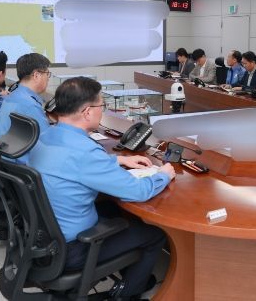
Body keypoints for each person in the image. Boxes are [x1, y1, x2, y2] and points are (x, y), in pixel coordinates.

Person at [28, 77, 176, 300]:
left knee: (112, 209)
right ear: (87, 112)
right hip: (72, 248)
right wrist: (163, 175)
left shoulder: (46, 134)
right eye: (101, 105)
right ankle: (128, 293)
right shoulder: (86, 152)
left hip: (44, 237)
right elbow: (137, 191)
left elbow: (72, 163)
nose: (102, 110)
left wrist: (117, 160)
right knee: (155, 235)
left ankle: (129, 274)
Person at [0, 53, 52, 163]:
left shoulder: (13, 96)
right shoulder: (30, 105)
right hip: (21, 165)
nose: (48, 78)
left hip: (5, 160)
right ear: (36, 75)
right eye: (47, 74)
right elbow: (49, 142)